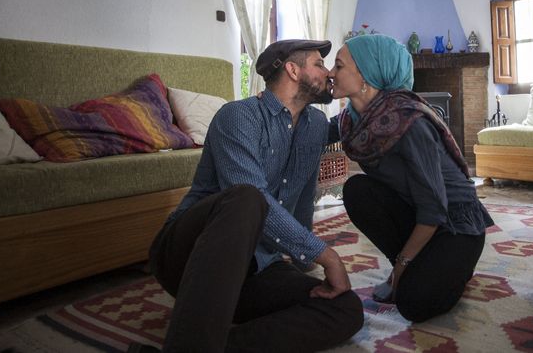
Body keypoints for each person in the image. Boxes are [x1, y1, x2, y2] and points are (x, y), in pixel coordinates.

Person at [133, 39, 363, 353]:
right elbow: (254, 198)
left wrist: (301, 258)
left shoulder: (315, 125)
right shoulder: (238, 116)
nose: (327, 73)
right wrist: (325, 255)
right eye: (319, 64)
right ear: (293, 70)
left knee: (345, 306)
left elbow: (303, 198)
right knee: (247, 198)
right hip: (188, 257)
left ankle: (210, 346)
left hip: (257, 269)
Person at [328, 34, 493, 323]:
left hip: (454, 225)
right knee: (357, 190)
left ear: (366, 73)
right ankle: (418, 264)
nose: (330, 73)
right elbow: (313, 128)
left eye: (338, 66)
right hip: (417, 213)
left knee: (413, 304)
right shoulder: (352, 119)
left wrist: (400, 271)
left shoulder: (408, 120)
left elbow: (434, 209)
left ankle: (444, 269)